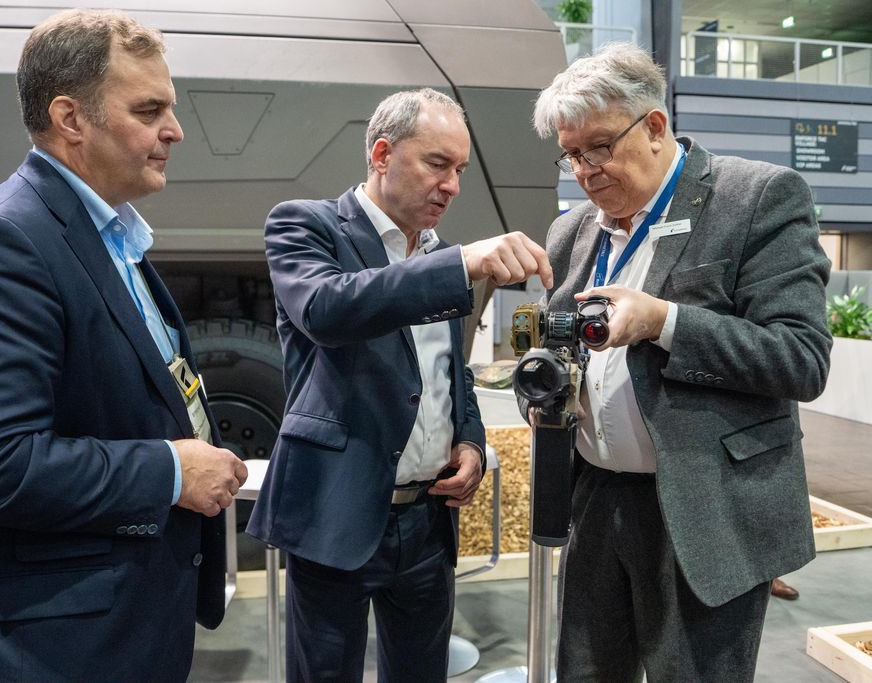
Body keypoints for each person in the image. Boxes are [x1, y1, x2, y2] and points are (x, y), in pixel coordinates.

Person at [0, 9, 247, 682]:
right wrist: (170, 472)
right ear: (71, 119)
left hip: (112, 626)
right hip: (42, 648)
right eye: (149, 110)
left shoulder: (109, 236)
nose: (174, 131)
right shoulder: (2, 244)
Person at [530, 43, 832, 681]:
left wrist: (662, 322)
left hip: (703, 509)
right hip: (597, 499)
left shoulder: (756, 198)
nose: (584, 170)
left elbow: (801, 358)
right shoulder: (572, 231)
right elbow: (563, 348)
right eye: (572, 155)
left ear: (655, 127)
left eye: (600, 148)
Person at [247, 88, 552, 682]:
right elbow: (329, 311)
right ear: (382, 154)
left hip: (426, 520)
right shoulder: (305, 224)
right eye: (438, 164)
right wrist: (460, 265)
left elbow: (448, 371)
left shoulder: (435, 254)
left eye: (460, 170)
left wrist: (469, 441)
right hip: (337, 509)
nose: (453, 186)